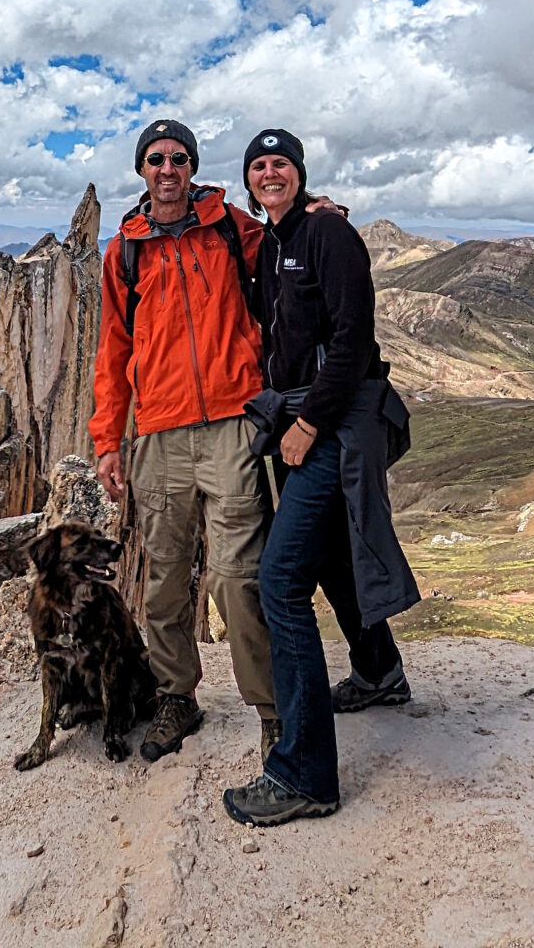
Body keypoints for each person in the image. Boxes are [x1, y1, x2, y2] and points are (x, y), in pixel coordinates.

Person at [222, 128, 422, 827]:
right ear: (250, 181)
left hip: (330, 423)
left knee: (280, 582)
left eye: (281, 164)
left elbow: (352, 340)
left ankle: (305, 774)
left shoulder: (327, 237)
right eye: (259, 165)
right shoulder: (276, 240)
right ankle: (378, 672)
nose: (269, 172)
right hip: (301, 418)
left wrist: (308, 425)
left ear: (299, 174)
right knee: (334, 555)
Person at [90, 119, 280, 764]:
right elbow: (114, 349)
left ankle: (271, 707)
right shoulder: (125, 250)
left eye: (178, 159)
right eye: (155, 160)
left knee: (237, 577)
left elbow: (285, 244)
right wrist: (107, 438)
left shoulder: (229, 226)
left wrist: (315, 211)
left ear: (192, 167)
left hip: (231, 423)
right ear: (141, 171)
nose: (167, 169)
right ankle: (177, 695)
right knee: (165, 578)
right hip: (160, 433)